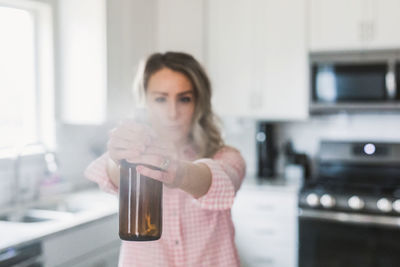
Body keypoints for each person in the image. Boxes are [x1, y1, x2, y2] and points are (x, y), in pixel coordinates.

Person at [84, 52, 246, 267]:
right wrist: (120, 155)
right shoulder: (134, 157)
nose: (172, 113)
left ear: (199, 104)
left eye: (184, 99)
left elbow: (225, 180)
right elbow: (112, 173)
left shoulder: (227, 157)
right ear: (144, 103)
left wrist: (179, 173)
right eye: (160, 98)